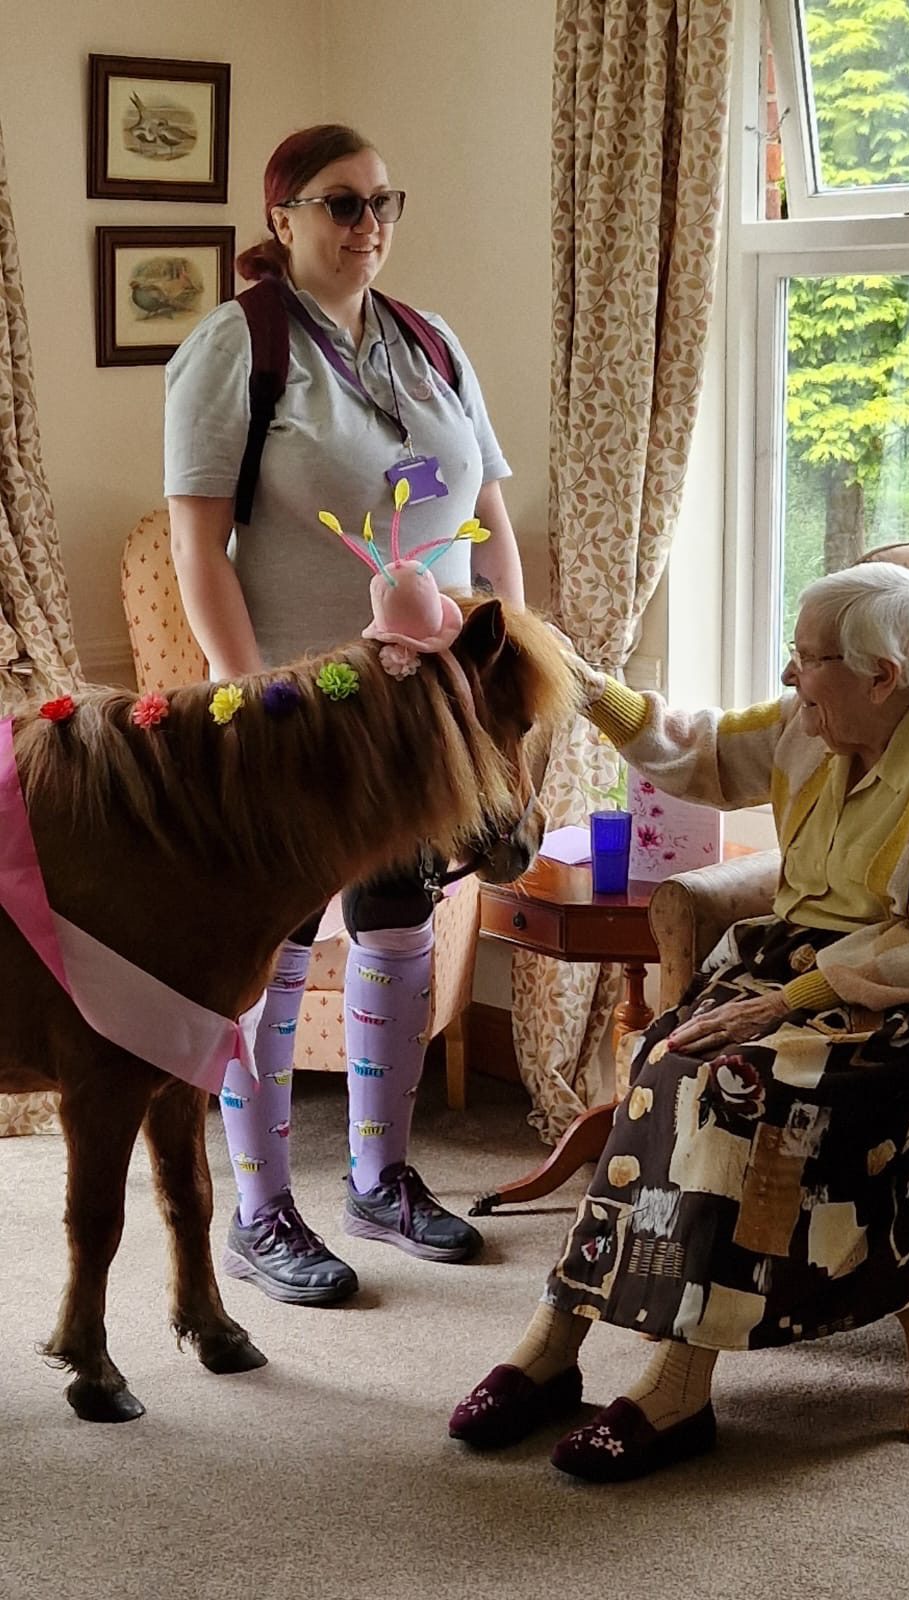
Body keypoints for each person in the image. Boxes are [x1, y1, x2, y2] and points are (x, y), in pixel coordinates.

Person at [449, 561, 909, 1480]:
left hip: (904, 1004)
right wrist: (584, 685)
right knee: (663, 1059)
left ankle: (679, 1387)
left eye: (806, 658)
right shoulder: (817, 717)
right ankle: (556, 1336)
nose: (788, 674)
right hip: (793, 961)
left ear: (883, 675)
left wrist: (788, 1003)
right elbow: (699, 751)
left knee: (733, 1090)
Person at [164, 124, 524, 1306]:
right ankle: (260, 1210)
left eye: (381, 202)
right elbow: (197, 548)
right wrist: (250, 692)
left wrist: (503, 663)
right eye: (340, 203)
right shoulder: (236, 348)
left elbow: (489, 518)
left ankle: (381, 1178)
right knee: (271, 951)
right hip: (296, 706)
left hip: (425, 707)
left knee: (397, 923)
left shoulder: (433, 344)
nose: (367, 225)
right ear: (282, 218)